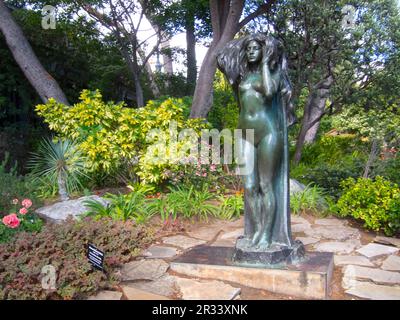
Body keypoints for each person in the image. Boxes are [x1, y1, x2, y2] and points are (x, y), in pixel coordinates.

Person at [217, 33, 296, 250]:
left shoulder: (275, 74)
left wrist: (265, 64)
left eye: (256, 48)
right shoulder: (242, 77)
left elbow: (270, 92)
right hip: (245, 134)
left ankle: (267, 234)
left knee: (265, 185)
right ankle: (259, 228)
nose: (251, 51)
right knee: (250, 186)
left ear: (264, 52)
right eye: (249, 48)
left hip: (268, 133)